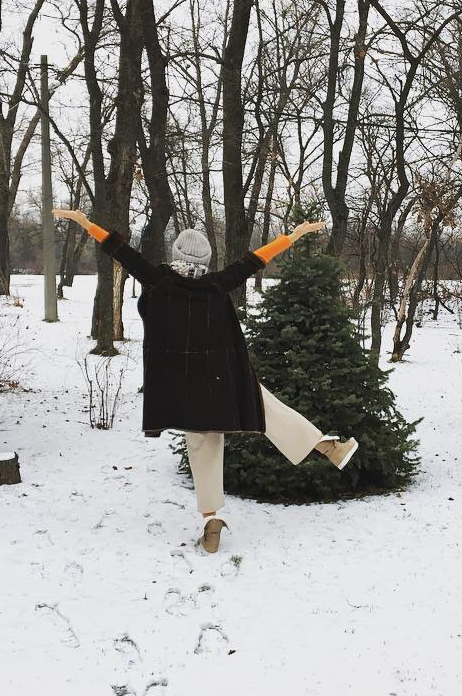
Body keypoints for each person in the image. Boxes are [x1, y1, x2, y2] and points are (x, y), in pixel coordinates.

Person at [52, 209, 358, 553]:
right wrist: (295, 235)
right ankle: (326, 446)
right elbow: (257, 258)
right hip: (222, 377)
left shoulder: (157, 280)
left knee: (202, 447)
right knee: (264, 409)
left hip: (182, 387)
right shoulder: (217, 283)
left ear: (176, 256)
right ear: (207, 259)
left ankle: (211, 519)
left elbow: (117, 248)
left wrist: (83, 222)